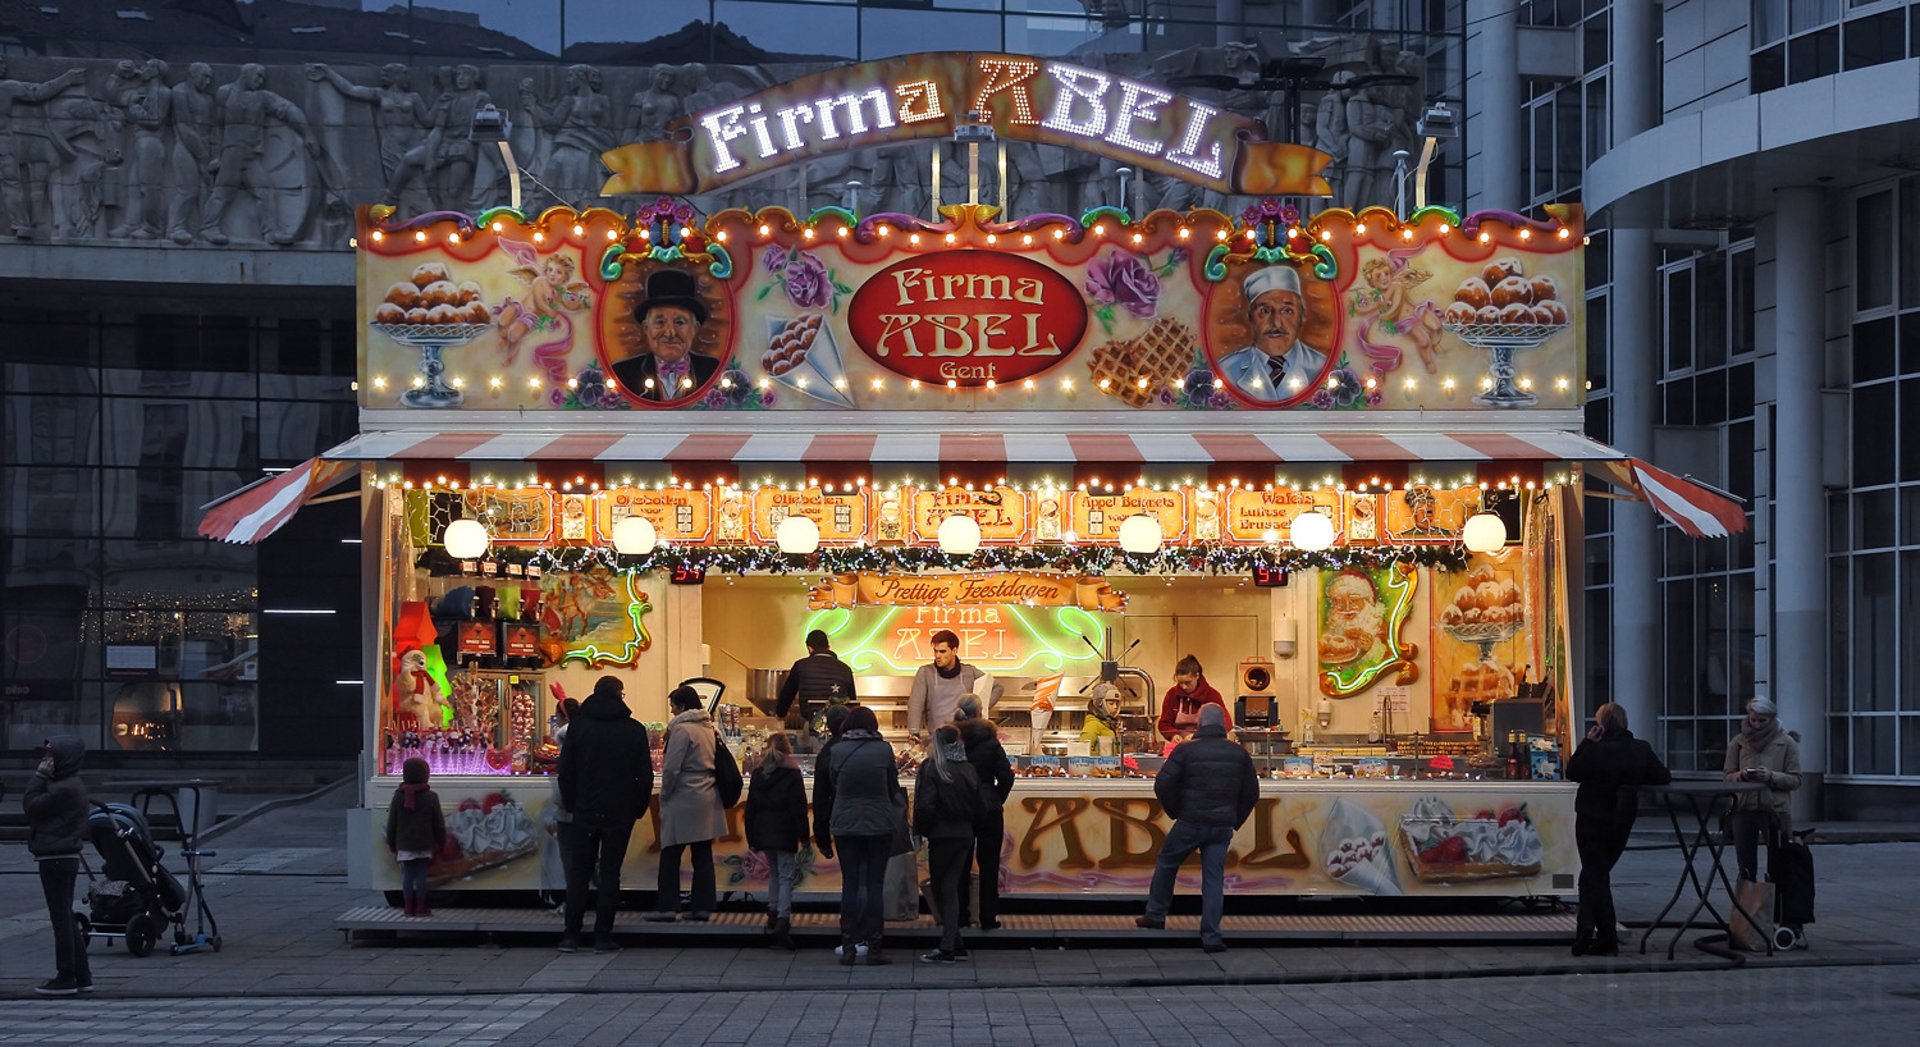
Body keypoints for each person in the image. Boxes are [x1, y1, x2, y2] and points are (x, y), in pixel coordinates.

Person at [1136, 705, 1257, 952]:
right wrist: (1234, 820)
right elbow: (1251, 793)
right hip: (1222, 826)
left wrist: (1176, 811)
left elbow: (1163, 784)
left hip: (1191, 821)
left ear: (1199, 724)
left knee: (1168, 861)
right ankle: (1211, 936)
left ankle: (1156, 915)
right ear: (1223, 724)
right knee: (1213, 879)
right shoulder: (1239, 754)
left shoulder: (1186, 751)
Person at [556, 675, 653, 953]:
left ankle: (571, 935)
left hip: (585, 810)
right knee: (610, 874)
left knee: (579, 873)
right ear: (620, 695)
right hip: (619, 811)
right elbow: (643, 775)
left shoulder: (579, 727)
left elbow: (566, 771)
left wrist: (572, 804)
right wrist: (637, 807)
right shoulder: (634, 730)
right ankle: (602, 936)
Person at [1565, 702, 1671, 956]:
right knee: (1594, 876)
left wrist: (1588, 743)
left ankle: (1603, 938)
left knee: (1594, 877)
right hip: (1621, 820)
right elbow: (1662, 776)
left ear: (1600, 726)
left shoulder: (1595, 751)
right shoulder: (1639, 750)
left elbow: (1572, 770)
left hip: (1591, 818)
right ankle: (1589, 934)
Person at [814, 705, 900, 965]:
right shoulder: (884, 750)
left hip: (845, 823)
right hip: (879, 823)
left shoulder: (837, 752)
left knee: (850, 884)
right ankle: (874, 948)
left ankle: (849, 947)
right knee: (875, 884)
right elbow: (892, 787)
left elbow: (831, 786)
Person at [649, 685, 726, 922]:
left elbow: (672, 768)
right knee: (702, 853)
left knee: (670, 851)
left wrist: (665, 794)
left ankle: (668, 906)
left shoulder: (682, 730)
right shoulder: (709, 728)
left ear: (681, 706)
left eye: (673, 706)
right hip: (708, 793)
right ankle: (702, 906)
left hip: (684, 794)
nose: (671, 711)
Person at [23, 736, 90, 996]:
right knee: (65, 917)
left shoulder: (64, 787)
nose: (44, 762)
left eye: (49, 757)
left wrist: (39, 776)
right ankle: (82, 975)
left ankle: (66, 975)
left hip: (57, 857)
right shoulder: (66, 784)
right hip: (62, 855)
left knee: (60, 918)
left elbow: (30, 805)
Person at [915, 724, 982, 964]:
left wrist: (921, 829)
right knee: (951, 886)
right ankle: (956, 942)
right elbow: (978, 803)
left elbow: (925, 805)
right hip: (964, 833)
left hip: (941, 835)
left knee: (944, 890)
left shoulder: (932, 768)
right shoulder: (968, 769)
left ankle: (947, 946)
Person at [1217, 265, 1329, 403]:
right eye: (1264, 311)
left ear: (1302, 316)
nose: (1276, 323)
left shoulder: (1324, 369)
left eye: (1287, 311)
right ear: (1250, 318)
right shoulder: (1225, 370)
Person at [1723, 696, 1802, 884]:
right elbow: (1727, 776)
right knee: (1746, 866)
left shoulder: (1786, 742)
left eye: (1762, 720)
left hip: (1775, 809)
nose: (1756, 725)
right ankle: (1745, 909)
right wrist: (1740, 775)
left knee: (1778, 863)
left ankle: (1776, 908)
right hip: (1743, 808)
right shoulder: (1738, 742)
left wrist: (1771, 776)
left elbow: (1796, 779)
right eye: (1753, 719)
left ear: (1772, 719)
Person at [611, 268, 719, 404]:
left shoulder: (715, 372)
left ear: (695, 328)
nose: (670, 333)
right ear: (646, 328)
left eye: (680, 322)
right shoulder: (621, 375)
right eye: (660, 322)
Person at [744, 732, 810, 950]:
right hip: (785, 831)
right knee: (786, 876)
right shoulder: (792, 774)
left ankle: (772, 912)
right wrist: (804, 836)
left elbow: (750, 807)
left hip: (763, 830)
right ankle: (783, 919)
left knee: (774, 872)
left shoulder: (758, 773)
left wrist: (751, 837)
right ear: (788, 750)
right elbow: (799, 809)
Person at [954, 696, 1014, 933]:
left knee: (961, 864)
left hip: (962, 807)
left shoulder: (954, 740)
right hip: (989, 809)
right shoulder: (990, 742)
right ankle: (988, 918)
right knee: (989, 865)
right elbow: (1007, 776)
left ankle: (960, 916)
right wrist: (995, 797)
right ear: (980, 712)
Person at [385, 756, 447, 919]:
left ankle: (407, 906)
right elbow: (438, 822)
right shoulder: (431, 796)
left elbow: (392, 822)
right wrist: (440, 841)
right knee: (421, 874)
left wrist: (391, 842)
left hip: (404, 843)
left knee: (407, 874)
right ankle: (420, 906)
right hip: (424, 841)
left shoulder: (398, 795)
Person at [908, 630, 990, 741]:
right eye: (935, 651)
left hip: (964, 739)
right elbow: (915, 705)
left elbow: (996, 686)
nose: (937, 656)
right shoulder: (926, 672)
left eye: (942, 652)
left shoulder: (969, 672)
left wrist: (979, 708)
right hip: (936, 739)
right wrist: (914, 734)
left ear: (954, 650)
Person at [776, 628, 856, 723]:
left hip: (811, 722)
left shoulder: (800, 666)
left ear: (810, 648)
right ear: (828, 646)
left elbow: (787, 694)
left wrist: (781, 714)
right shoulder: (845, 669)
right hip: (838, 724)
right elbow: (852, 701)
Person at [1157, 655, 1231, 744]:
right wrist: (1173, 735)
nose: (1184, 687)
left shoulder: (1212, 695)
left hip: (1205, 744)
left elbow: (1226, 723)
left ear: (1197, 676)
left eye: (1187, 682)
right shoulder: (1172, 695)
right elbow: (1164, 723)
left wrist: (1199, 735)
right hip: (1180, 745)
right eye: (1180, 683)